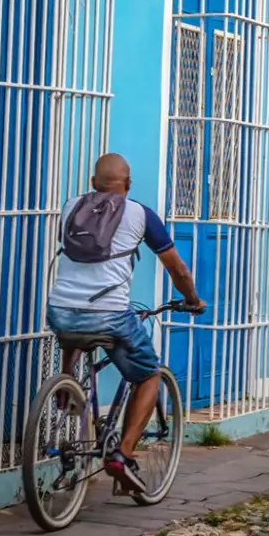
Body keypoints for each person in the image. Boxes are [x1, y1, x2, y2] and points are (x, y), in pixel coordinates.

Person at [46, 153, 204, 494]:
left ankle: (67, 386)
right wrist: (191, 299)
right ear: (127, 183)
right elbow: (177, 269)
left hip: (59, 309)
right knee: (148, 374)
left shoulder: (70, 207)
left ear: (92, 184)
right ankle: (123, 454)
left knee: (74, 327)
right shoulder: (140, 214)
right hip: (110, 313)